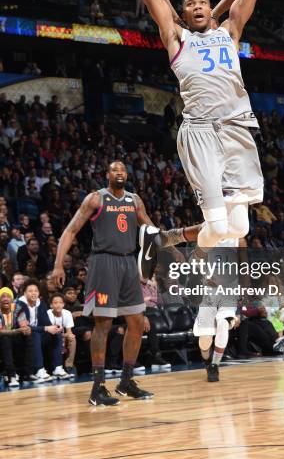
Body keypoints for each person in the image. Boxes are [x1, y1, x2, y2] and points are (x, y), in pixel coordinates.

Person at [52, 161, 201, 406]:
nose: (119, 172)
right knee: (103, 324)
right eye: (114, 170)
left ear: (127, 175)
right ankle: (98, 387)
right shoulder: (95, 199)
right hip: (104, 263)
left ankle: (126, 381)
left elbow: (155, 235)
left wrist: (187, 234)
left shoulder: (135, 201)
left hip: (129, 265)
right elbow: (70, 231)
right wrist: (59, 264)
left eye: (122, 170)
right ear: (107, 174)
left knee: (137, 321)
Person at [141, 0, 264, 251]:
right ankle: (195, 256)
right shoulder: (177, 37)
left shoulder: (228, 32)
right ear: (184, 12)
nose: (197, 7)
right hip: (201, 132)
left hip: (236, 129)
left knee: (240, 228)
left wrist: (216, 13)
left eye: (202, 3)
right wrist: (177, 19)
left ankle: (167, 237)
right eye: (190, 4)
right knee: (219, 227)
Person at [193, 238, 245, 382]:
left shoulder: (238, 239)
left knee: (223, 323)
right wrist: (204, 276)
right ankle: (207, 362)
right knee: (205, 339)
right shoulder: (207, 234)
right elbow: (196, 261)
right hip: (209, 293)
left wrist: (241, 309)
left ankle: (215, 365)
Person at [19, 279, 68, 382]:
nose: (34, 293)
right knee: (35, 334)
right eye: (30, 291)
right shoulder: (19, 305)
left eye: (36, 291)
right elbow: (24, 327)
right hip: (22, 335)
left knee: (56, 333)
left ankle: (58, 368)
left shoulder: (40, 303)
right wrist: (45, 328)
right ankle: (39, 369)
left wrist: (54, 328)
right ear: (24, 293)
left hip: (38, 333)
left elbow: (46, 322)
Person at [0, 287, 33, 386]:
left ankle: (26, 373)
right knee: (5, 339)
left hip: (14, 336)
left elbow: (23, 323)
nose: (6, 299)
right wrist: (16, 331)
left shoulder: (17, 308)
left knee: (29, 336)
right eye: (3, 297)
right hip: (2, 338)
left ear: (12, 299)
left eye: (8, 296)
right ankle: (12, 375)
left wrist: (26, 329)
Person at [47, 293, 76, 378]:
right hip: (50, 337)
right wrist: (65, 335)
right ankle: (55, 367)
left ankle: (69, 366)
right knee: (58, 337)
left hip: (62, 336)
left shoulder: (67, 313)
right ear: (51, 305)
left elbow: (69, 332)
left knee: (72, 338)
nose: (58, 305)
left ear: (63, 304)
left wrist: (67, 336)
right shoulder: (48, 313)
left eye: (60, 302)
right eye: (55, 303)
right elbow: (51, 332)